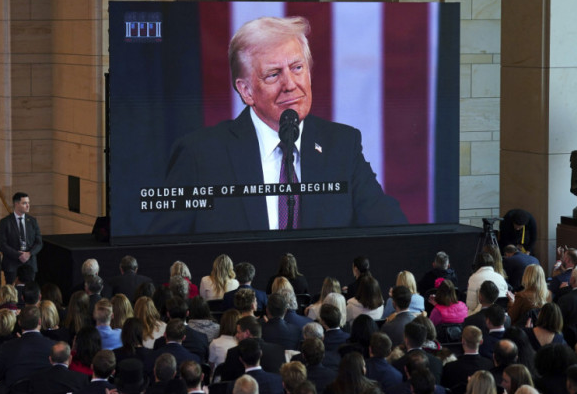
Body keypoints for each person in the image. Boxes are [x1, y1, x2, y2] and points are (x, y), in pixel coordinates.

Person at [158, 16, 407, 234]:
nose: (290, 84)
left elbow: (392, 230)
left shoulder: (342, 145)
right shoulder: (200, 155)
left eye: (297, 68)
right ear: (246, 91)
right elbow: (165, 250)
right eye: (274, 74)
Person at [0, 192, 43, 284]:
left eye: (28, 203)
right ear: (16, 204)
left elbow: (39, 242)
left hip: (29, 263)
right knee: (12, 292)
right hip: (12, 263)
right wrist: (18, 255)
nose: (28, 206)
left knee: (29, 291)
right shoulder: (5, 222)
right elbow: (2, 245)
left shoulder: (32, 221)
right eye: (24, 203)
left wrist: (28, 254)